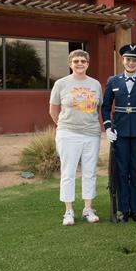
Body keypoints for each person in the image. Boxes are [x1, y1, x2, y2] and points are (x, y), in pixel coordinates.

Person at [101, 44, 136, 223]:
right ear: (122, 60)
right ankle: (123, 209)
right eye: (128, 59)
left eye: (135, 60)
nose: (131, 63)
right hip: (120, 133)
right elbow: (105, 107)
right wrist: (108, 128)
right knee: (122, 172)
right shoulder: (113, 81)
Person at [49, 49, 102, 226]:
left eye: (83, 61)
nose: (80, 64)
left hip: (91, 134)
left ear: (88, 63)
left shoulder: (95, 84)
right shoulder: (61, 84)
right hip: (68, 133)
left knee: (89, 172)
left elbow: (98, 108)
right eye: (76, 61)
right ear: (70, 63)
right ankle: (69, 211)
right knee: (68, 172)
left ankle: (88, 208)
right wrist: (65, 126)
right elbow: (53, 109)